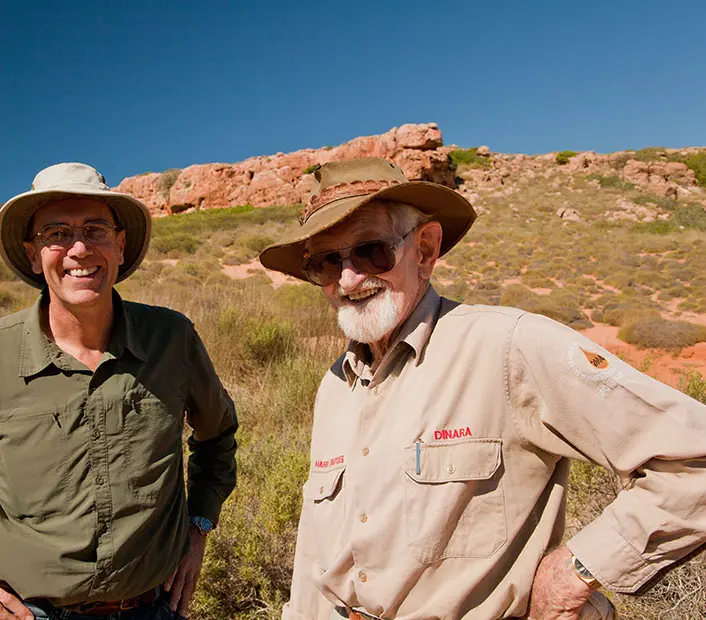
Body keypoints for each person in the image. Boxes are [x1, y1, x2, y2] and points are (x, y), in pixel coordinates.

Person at [258, 157, 706, 620]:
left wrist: (574, 570)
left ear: (424, 250)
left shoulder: (509, 346)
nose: (349, 279)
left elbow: (695, 460)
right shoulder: (335, 386)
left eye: (372, 251)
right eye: (327, 263)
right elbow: (314, 553)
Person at [0, 162, 238, 620]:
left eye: (95, 230)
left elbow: (217, 434)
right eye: (57, 234)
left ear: (120, 245)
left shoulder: (171, 340)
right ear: (33, 256)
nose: (79, 248)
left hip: (153, 608)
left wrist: (199, 526)